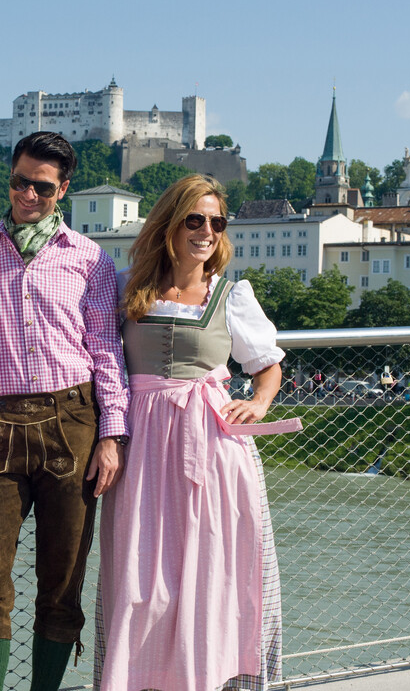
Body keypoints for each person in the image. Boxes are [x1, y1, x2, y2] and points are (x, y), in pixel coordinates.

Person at [93, 174, 301, 691]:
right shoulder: (125, 285)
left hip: (211, 446)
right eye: (195, 219)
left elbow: (268, 364)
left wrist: (259, 401)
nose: (207, 231)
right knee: (142, 572)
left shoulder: (231, 294)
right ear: (169, 223)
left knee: (212, 566)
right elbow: (99, 356)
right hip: (140, 442)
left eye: (216, 222)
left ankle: (206, 678)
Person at [0, 131, 130, 691]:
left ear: (63, 189)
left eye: (42, 187)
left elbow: (105, 348)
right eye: (21, 182)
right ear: (10, 179)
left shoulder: (89, 258)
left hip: (73, 421)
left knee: (63, 579)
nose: (28, 195)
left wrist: (112, 433)